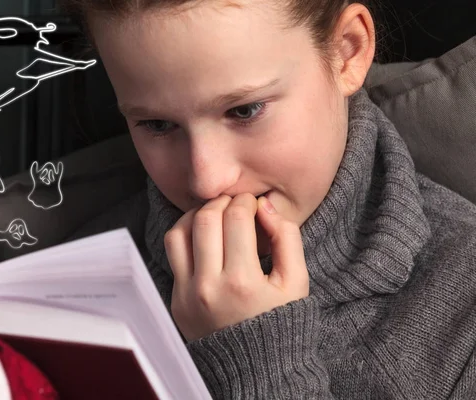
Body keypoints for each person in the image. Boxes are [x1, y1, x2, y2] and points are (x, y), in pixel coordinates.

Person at [60, 0, 476, 398]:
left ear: (347, 52)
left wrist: (256, 358)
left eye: (244, 111)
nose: (207, 181)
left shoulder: (464, 312)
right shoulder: (72, 280)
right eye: (157, 124)